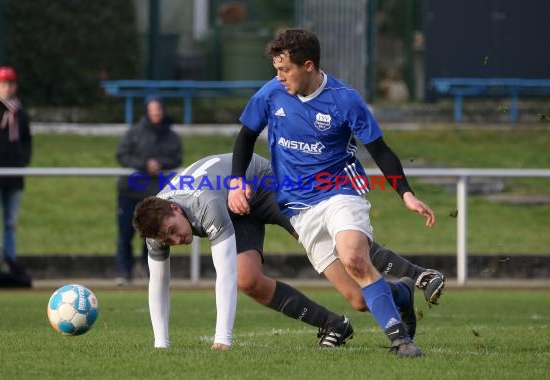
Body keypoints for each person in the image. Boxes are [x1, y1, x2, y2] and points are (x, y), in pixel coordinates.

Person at [228, 28, 436, 358]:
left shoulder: (344, 99)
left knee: (355, 257)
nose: (279, 77)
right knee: (358, 299)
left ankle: (401, 341)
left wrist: (406, 194)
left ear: (308, 65)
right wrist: (236, 183)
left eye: (285, 70)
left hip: (340, 192)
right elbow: (245, 137)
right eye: (276, 70)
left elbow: (380, 150)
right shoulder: (271, 94)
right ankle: (400, 294)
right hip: (298, 208)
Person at [133, 153, 444, 350]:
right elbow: (157, 284)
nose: (176, 240)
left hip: (263, 186)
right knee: (251, 282)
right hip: (235, 210)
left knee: (342, 246)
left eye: (174, 231)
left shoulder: (204, 205)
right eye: (168, 240)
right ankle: (336, 323)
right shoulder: (155, 226)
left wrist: (222, 340)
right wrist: (161, 345)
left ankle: (418, 276)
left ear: (175, 208)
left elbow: (222, 274)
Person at [115, 95, 182, 285]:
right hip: (129, 192)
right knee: (125, 234)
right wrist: (144, 165)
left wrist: (160, 164)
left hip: (154, 195)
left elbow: (176, 158)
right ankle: (124, 273)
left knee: (152, 234)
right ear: (146, 111)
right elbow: (121, 155)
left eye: (158, 109)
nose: (156, 113)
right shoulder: (133, 133)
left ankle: (150, 272)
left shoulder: (171, 136)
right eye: (152, 109)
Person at [0, 66, 32, 262]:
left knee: (11, 221)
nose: (7, 88)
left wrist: (23, 159)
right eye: (3, 84)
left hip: (14, 174)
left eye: (10, 84)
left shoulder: (20, 112)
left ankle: (10, 261)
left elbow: (27, 139)